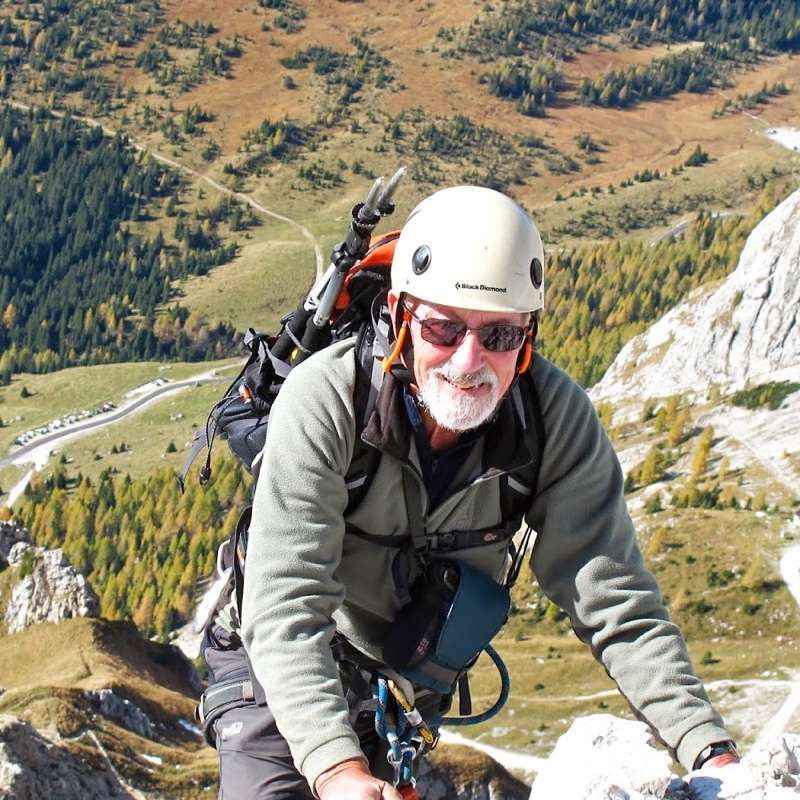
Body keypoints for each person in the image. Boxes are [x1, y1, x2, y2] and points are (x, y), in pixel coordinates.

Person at [201, 185, 740, 800]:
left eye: (500, 337)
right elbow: (287, 604)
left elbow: (615, 601)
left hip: (400, 684)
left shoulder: (552, 418)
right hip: (276, 661)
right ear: (402, 315)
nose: (468, 358)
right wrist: (336, 770)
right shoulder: (327, 401)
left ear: (528, 335)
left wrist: (711, 752)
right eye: (443, 328)